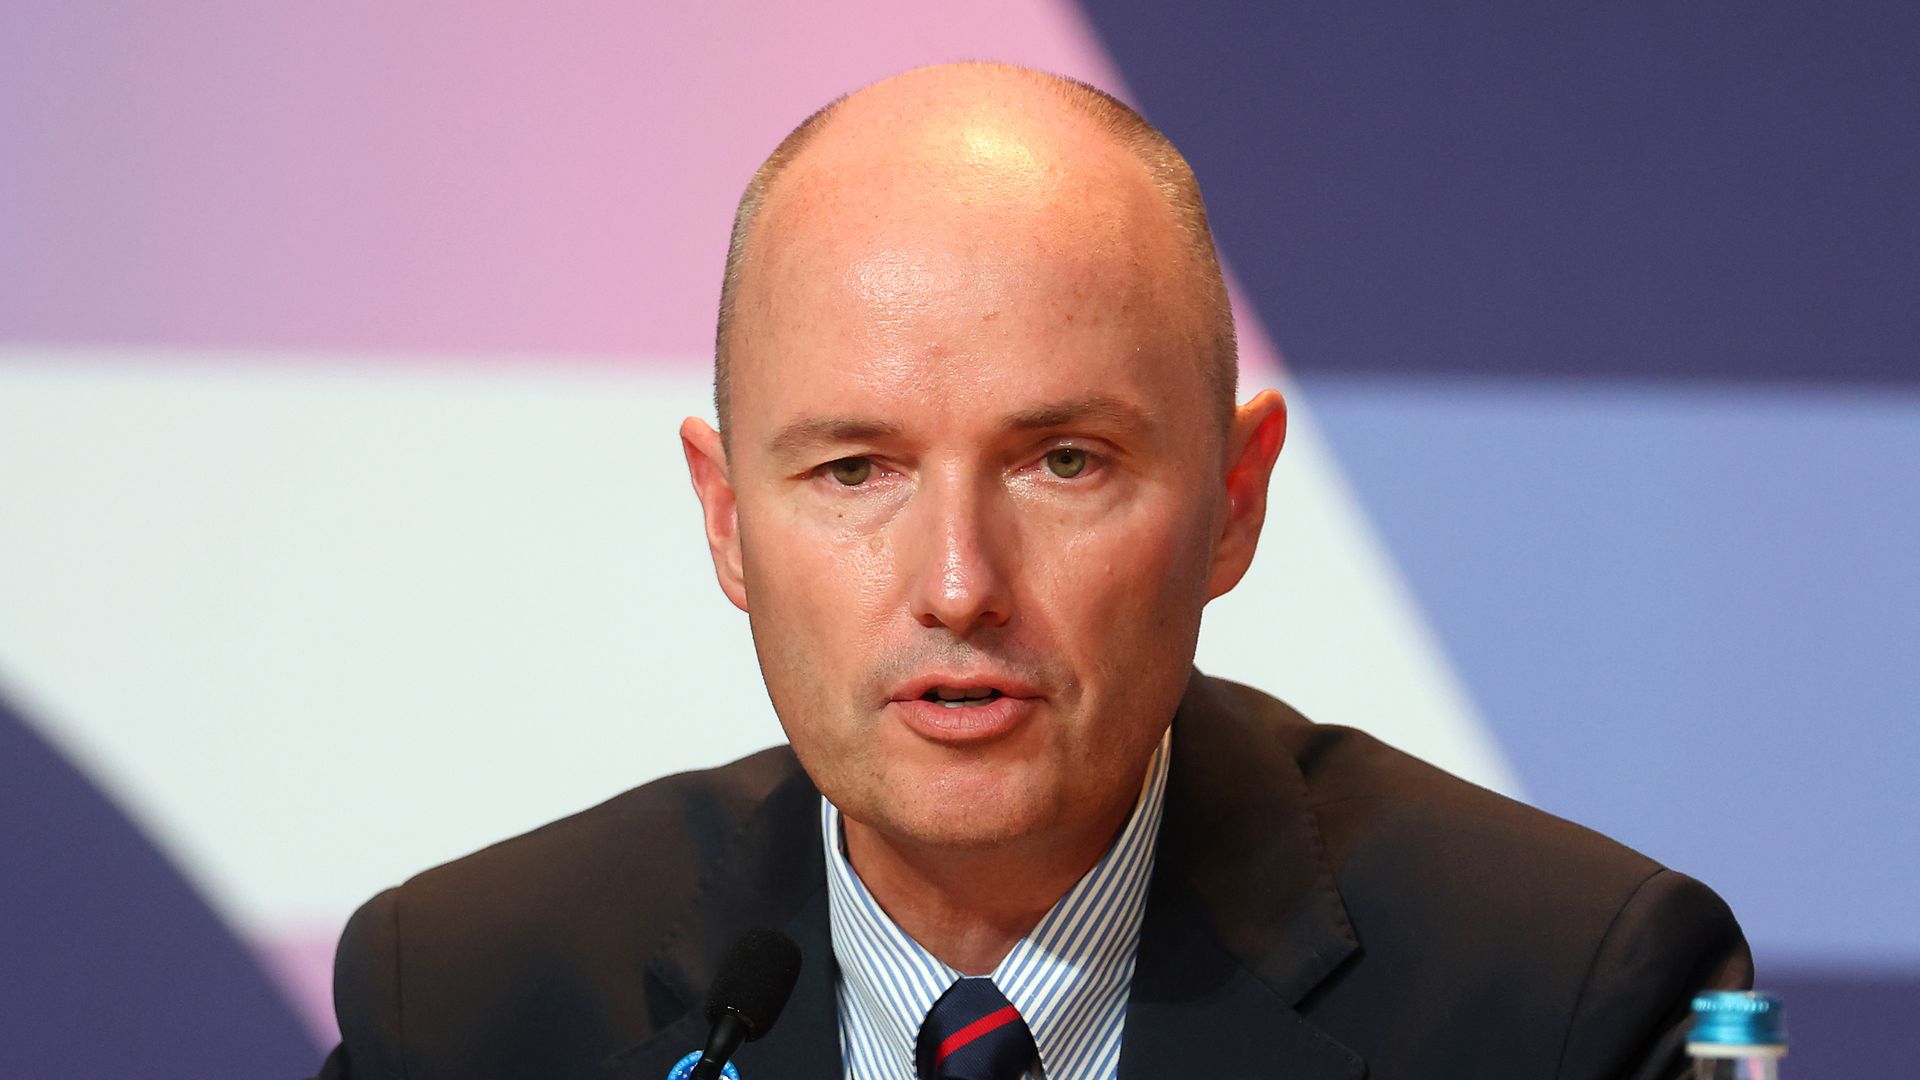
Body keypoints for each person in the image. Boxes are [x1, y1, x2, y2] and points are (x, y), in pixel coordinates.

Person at [312, 62, 1750, 1080]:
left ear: (1236, 498)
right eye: (854, 469)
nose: (956, 585)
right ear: (727, 518)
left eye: (1062, 461)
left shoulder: (1567, 1004)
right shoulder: (458, 1009)